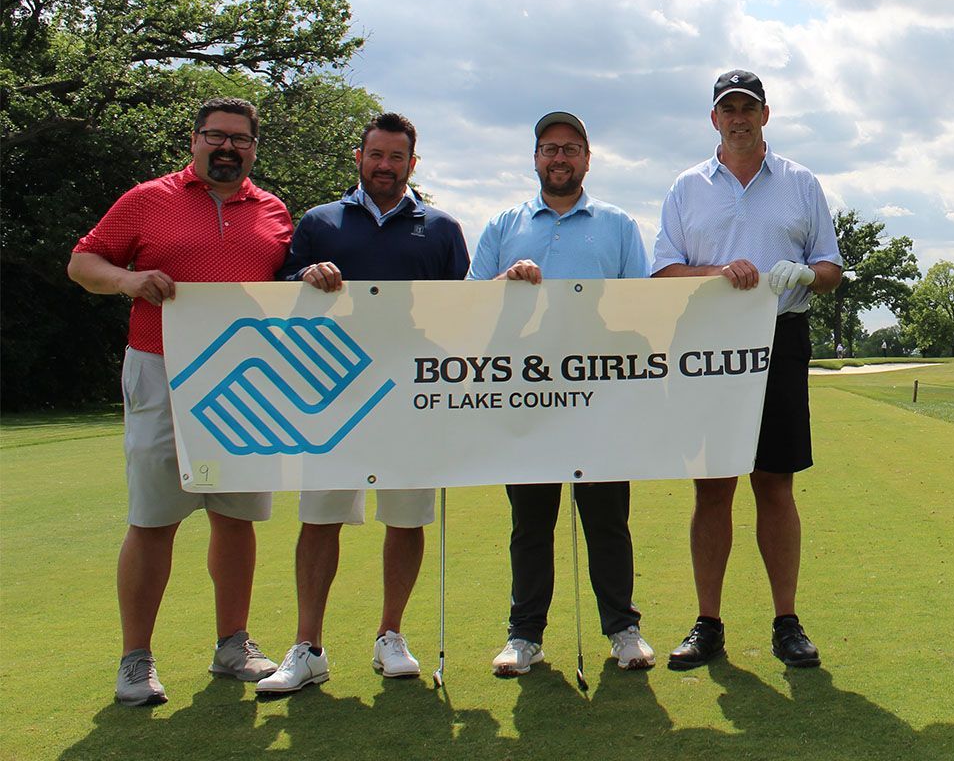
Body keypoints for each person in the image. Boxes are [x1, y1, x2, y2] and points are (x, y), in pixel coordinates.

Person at [67, 97, 292, 705]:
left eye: (240, 139)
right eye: (216, 136)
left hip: (245, 382)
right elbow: (83, 262)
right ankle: (135, 660)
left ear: (253, 148)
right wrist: (128, 280)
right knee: (153, 519)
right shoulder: (148, 199)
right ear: (194, 140)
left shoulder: (272, 211)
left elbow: (286, 287)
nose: (227, 148)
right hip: (160, 369)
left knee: (237, 517)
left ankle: (232, 644)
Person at [255, 112, 469, 694]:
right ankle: (307, 647)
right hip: (333, 393)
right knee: (320, 517)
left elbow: (460, 313)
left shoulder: (441, 228)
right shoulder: (320, 222)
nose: (385, 166)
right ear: (359, 157)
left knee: (405, 518)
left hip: (410, 395)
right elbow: (280, 292)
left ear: (412, 164)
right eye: (376, 154)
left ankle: (390, 636)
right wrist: (304, 274)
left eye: (397, 157)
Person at [652, 70, 843, 669]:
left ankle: (787, 621)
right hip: (708, 347)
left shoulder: (799, 182)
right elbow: (664, 272)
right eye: (728, 109)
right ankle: (708, 623)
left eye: (748, 108)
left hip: (780, 339)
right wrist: (716, 273)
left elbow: (830, 266)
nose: (738, 118)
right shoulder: (687, 186)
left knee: (775, 482)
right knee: (712, 486)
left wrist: (806, 274)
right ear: (714, 119)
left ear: (765, 114)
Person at [468, 111, 655, 676]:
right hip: (526, 397)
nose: (559, 158)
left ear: (587, 160)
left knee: (607, 520)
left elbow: (641, 309)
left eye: (571, 149)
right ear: (535, 158)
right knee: (530, 524)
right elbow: (470, 305)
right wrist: (504, 283)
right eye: (549, 148)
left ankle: (623, 628)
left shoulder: (617, 224)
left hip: (599, 396)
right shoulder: (504, 225)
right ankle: (524, 635)